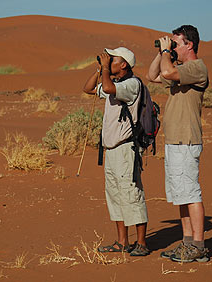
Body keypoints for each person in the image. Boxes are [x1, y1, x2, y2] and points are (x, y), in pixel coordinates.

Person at [146, 25, 209, 263]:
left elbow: (169, 74)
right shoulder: (178, 68)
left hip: (186, 139)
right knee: (180, 195)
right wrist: (162, 52)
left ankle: (199, 246)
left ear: (189, 45)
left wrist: (165, 53)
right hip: (174, 141)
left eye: (176, 43)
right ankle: (187, 243)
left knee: (190, 193)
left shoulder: (196, 68)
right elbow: (152, 76)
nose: (172, 48)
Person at [83, 47, 149, 256]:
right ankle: (122, 242)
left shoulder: (131, 84)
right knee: (115, 196)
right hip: (111, 150)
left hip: (125, 149)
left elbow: (109, 88)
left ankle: (141, 243)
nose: (109, 61)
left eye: (113, 59)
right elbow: (88, 89)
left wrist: (104, 69)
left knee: (131, 194)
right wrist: (99, 69)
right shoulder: (116, 83)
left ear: (124, 65)